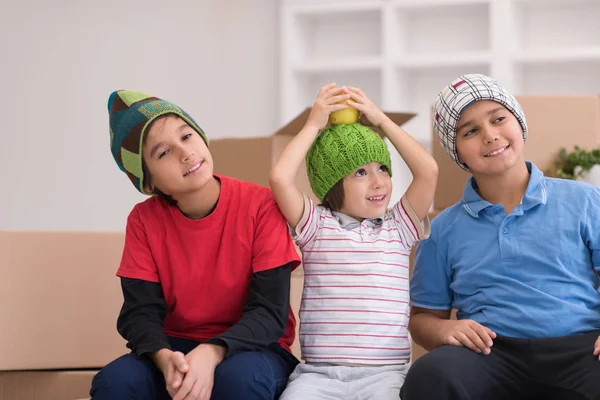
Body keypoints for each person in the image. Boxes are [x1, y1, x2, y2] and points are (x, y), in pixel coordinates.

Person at [90, 90, 301, 400]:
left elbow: (270, 313)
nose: (185, 153)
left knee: (239, 380)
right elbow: (140, 313)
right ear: (148, 183)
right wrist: (164, 358)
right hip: (176, 350)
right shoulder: (143, 221)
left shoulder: (261, 206)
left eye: (187, 136)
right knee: (114, 383)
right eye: (163, 153)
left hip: (255, 349)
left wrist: (213, 352)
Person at [402, 73, 600, 400]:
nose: (490, 136)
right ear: (458, 153)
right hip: (489, 354)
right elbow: (422, 318)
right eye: (471, 131)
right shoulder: (442, 229)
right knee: (429, 375)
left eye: (498, 119)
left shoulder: (585, 201)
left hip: (580, 348)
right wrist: (443, 328)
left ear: (519, 124)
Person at [269, 83, 438, 400]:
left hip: (386, 376)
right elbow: (280, 177)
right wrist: (313, 124)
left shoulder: (398, 226)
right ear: (332, 185)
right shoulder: (315, 225)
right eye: (360, 172)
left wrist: (381, 120)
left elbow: (428, 171)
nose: (379, 182)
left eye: (383, 169)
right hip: (318, 376)